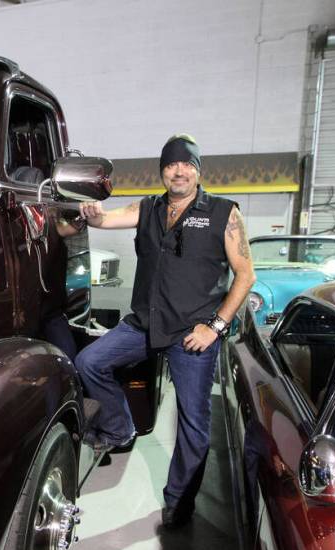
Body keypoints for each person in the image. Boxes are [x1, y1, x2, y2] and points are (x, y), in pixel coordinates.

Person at [75, 134, 255, 528]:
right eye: (172, 164)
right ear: (162, 171)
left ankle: (179, 501)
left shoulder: (224, 213)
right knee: (88, 362)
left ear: (197, 170)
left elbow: (245, 275)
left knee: (193, 422)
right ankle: (120, 428)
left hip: (194, 333)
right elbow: (106, 219)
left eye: (187, 164)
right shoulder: (150, 208)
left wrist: (215, 327)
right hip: (145, 323)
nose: (179, 170)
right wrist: (92, 213)